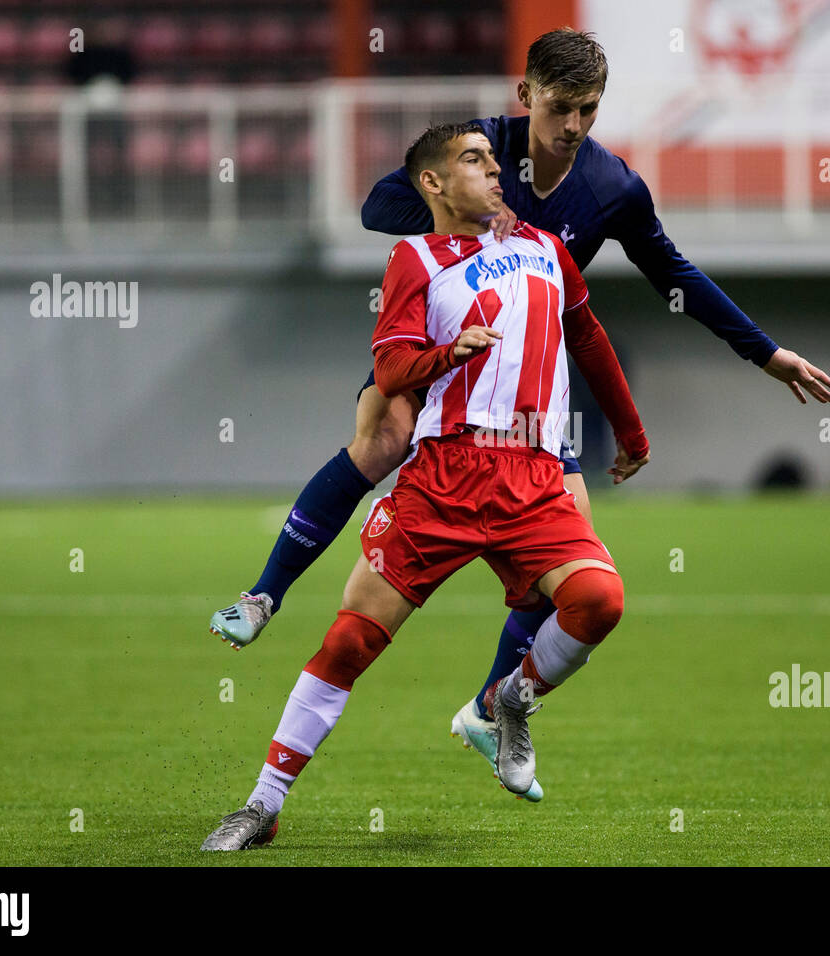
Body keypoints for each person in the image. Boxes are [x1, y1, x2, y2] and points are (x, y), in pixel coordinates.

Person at [208, 28, 830, 801]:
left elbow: (673, 272)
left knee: (573, 563)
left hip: (531, 396)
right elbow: (380, 205)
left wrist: (765, 353)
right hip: (449, 353)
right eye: (561, 107)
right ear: (527, 97)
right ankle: (266, 591)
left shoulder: (612, 188)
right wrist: (456, 209)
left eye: (590, 110)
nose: (574, 126)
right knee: (387, 429)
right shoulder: (482, 155)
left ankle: (490, 708)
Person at [200, 122, 649, 850]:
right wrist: (446, 355)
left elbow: (588, 336)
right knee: (350, 642)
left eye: (494, 161)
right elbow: (391, 372)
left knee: (599, 598)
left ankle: (508, 700)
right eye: (474, 161)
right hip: (445, 475)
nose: (495, 171)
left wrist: (631, 433)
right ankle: (262, 804)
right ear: (433, 185)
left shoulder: (545, 248)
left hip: (534, 475)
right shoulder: (414, 259)